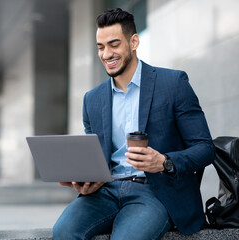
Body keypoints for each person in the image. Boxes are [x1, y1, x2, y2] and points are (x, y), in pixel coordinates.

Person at [53, 8, 215, 240]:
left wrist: (165, 162)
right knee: (63, 232)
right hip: (104, 191)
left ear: (134, 42)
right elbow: (96, 157)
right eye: (100, 47)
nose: (106, 54)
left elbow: (205, 148)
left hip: (155, 191)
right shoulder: (92, 99)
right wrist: (86, 180)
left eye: (114, 44)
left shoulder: (173, 83)